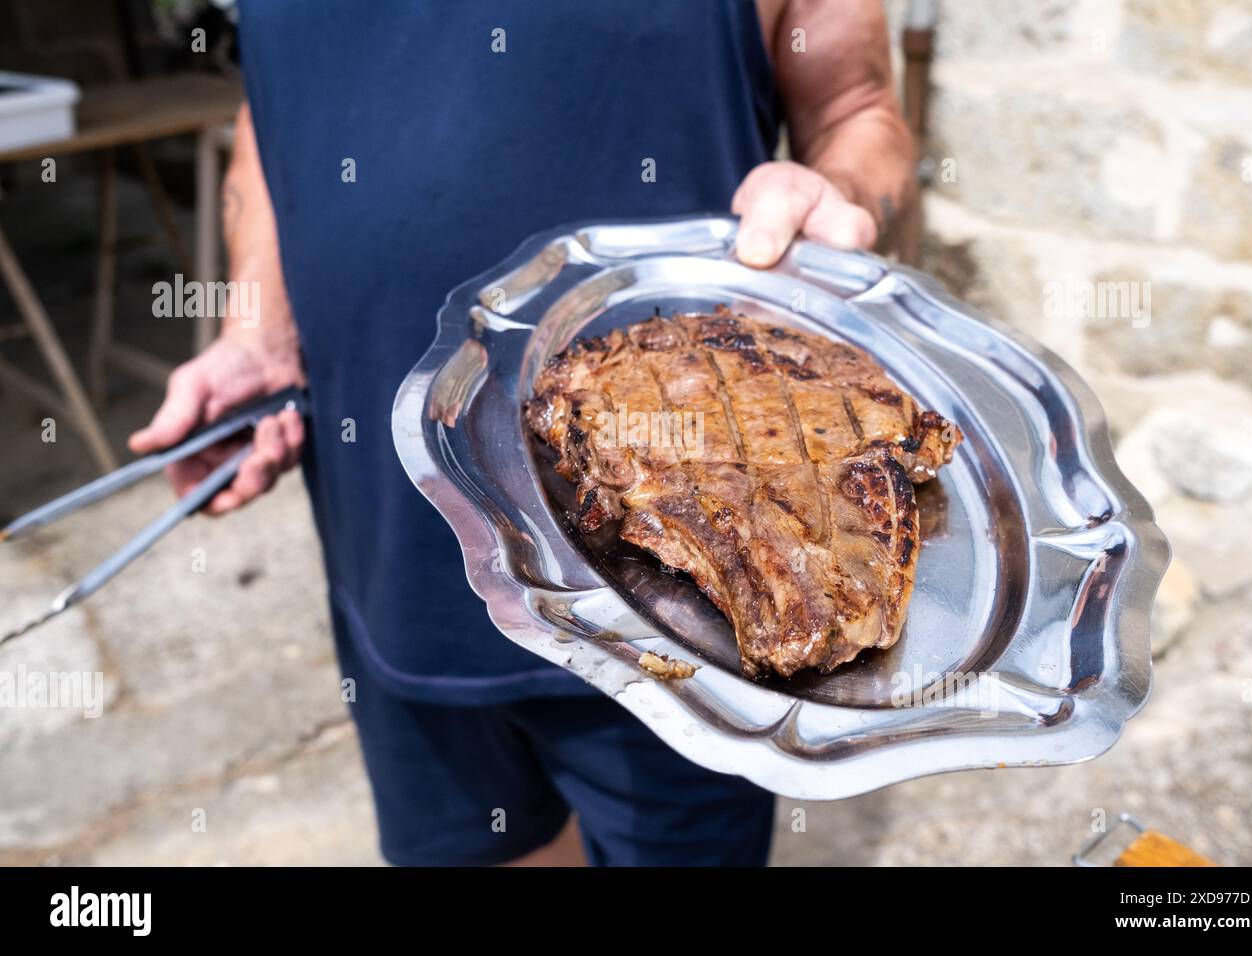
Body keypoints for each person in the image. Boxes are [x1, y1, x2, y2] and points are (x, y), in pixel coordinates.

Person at [130, 0, 914, 866]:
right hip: (387, 558)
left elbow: (857, 113)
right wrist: (257, 329)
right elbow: (274, 115)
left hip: (683, 600)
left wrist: (837, 198)